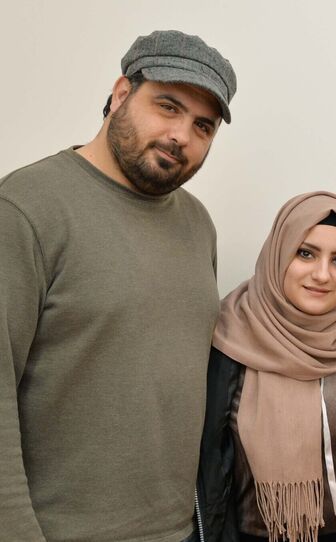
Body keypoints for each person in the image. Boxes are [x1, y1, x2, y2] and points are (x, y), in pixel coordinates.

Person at [0, 30, 236, 541]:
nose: (182, 135)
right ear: (121, 95)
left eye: (203, 126)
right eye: (167, 107)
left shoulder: (198, 225)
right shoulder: (27, 207)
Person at [197, 191, 336, 542]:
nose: (322, 274)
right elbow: (211, 463)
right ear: (279, 252)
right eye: (306, 253)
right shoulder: (229, 336)